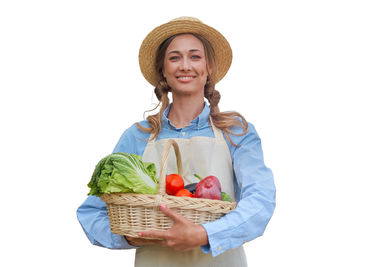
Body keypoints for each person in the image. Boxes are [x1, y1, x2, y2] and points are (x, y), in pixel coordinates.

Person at [77, 17, 276, 267]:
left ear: (209, 67)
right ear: (163, 69)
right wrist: (129, 236)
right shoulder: (138, 135)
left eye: (195, 57)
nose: (185, 66)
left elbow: (261, 201)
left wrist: (205, 235)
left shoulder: (235, 131)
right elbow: (91, 212)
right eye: (174, 58)